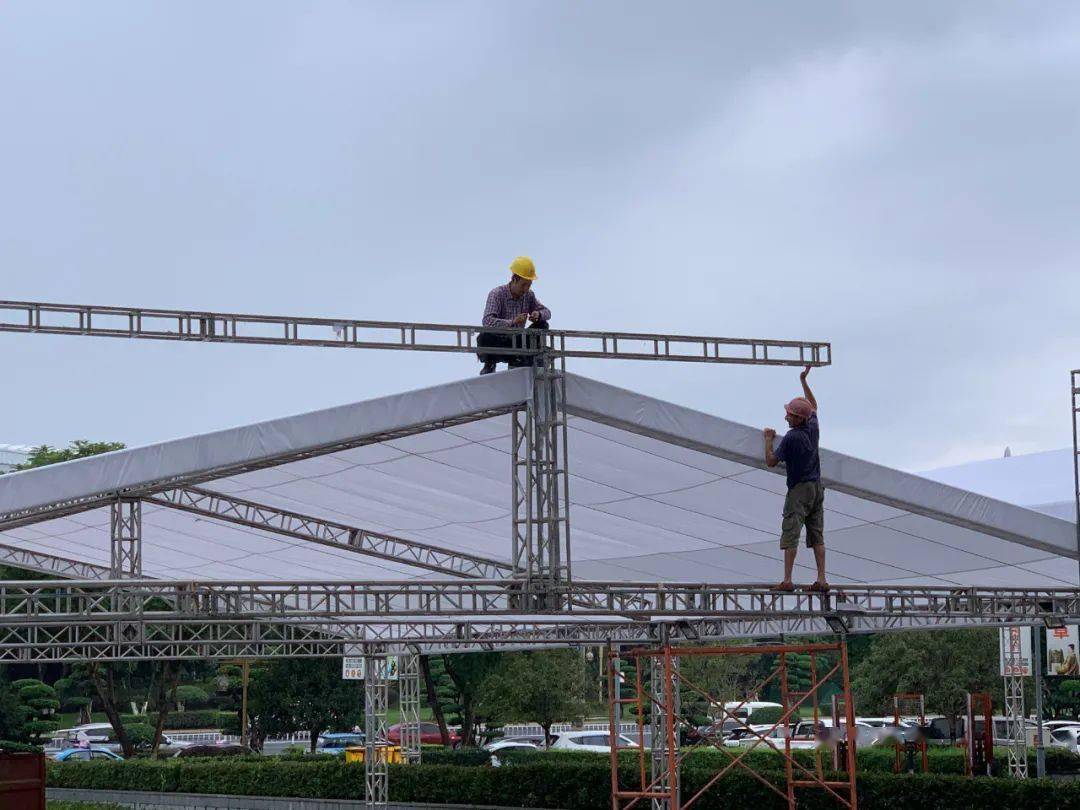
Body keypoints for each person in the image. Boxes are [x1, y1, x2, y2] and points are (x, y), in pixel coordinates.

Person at [763, 365, 827, 593]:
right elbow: (814, 407)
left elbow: (771, 461)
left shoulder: (791, 438)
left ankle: (787, 580)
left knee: (791, 531)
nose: (786, 416)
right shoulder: (812, 428)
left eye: (789, 414)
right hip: (816, 488)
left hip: (799, 490)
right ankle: (821, 579)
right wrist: (803, 381)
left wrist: (768, 439)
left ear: (797, 419)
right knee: (817, 533)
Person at [477, 256, 552, 375]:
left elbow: (547, 312)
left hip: (518, 342)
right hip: (499, 341)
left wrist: (538, 314)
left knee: (542, 324)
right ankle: (490, 364)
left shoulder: (529, 295)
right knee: (484, 337)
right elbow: (487, 321)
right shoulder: (497, 294)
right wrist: (512, 322)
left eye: (529, 285)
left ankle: (522, 360)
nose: (526, 289)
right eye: (523, 285)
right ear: (514, 279)